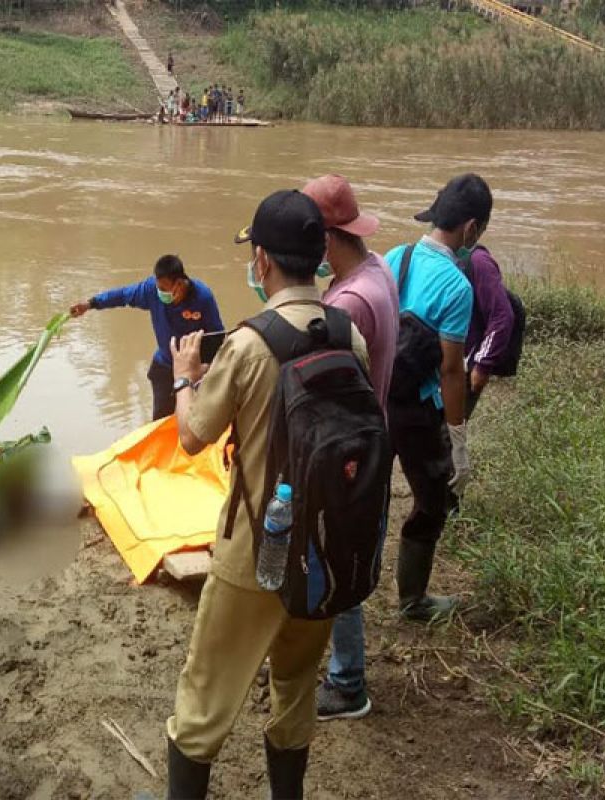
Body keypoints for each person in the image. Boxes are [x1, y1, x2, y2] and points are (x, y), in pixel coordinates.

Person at [164, 190, 369, 799]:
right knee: (296, 690)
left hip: (254, 551)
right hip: (326, 550)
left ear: (262, 262)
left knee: (204, 699)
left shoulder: (250, 345)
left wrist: (184, 376)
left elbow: (193, 437)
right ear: (321, 257)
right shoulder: (348, 332)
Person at [301, 175, 400, 721]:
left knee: (337, 564)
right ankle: (330, 662)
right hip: (372, 436)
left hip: (351, 452)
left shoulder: (350, 304)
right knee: (343, 558)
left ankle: (348, 682)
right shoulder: (377, 268)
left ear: (326, 239)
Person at [382, 174, 487, 622]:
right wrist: (457, 441)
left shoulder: (395, 257)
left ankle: (357, 574)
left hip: (377, 395)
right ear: (470, 230)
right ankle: (413, 600)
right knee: (431, 501)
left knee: (370, 491)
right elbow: (450, 369)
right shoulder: (457, 287)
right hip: (417, 412)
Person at [69, 255, 223, 421]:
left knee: (196, 420)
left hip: (194, 370)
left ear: (178, 284)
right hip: (165, 365)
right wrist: (90, 304)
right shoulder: (151, 291)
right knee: (161, 421)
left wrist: (208, 372)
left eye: (164, 288)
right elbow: (122, 295)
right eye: (158, 287)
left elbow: (217, 337)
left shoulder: (203, 297)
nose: (160, 292)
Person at [459, 224, 515, 419]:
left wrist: (482, 365)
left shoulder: (479, 262)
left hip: (466, 363)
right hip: (443, 360)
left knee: (449, 432)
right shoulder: (446, 256)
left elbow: (502, 316)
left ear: (471, 228)